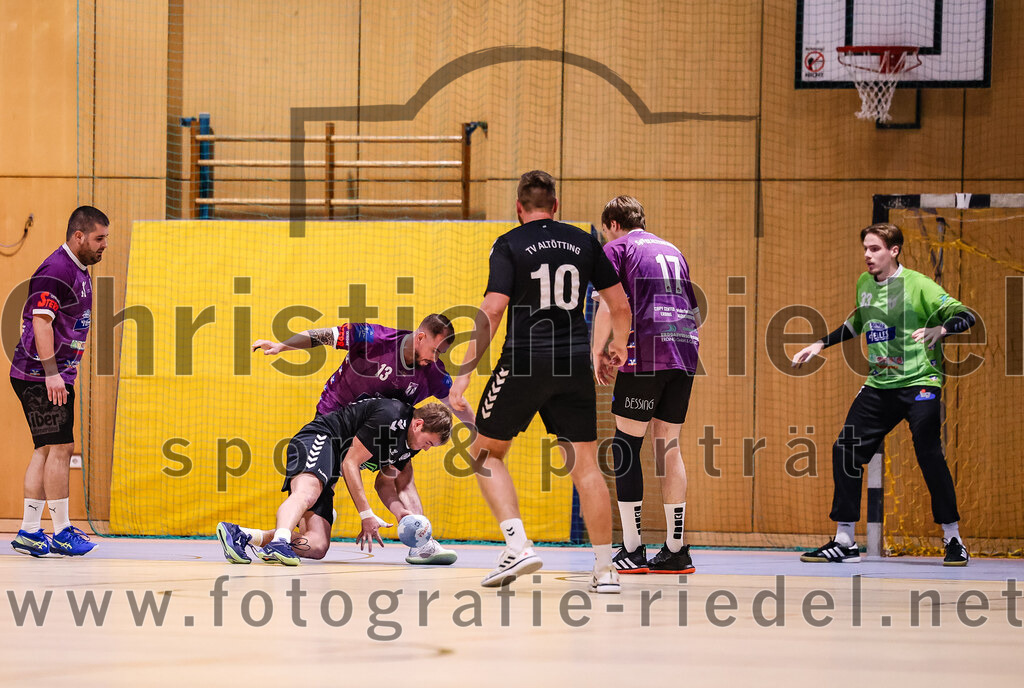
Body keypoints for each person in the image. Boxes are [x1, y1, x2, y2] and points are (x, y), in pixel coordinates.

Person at [449, 170, 633, 593]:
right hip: (573, 364)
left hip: (524, 361)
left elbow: (493, 310)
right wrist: (618, 347)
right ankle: (606, 570)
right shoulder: (585, 241)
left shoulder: (509, 243)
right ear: (556, 206)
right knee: (585, 467)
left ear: (519, 208)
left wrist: (463, 374)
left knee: (485, 453)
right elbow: (620, 305)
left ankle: (518, 546)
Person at [792, 222, 975, 566]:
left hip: (920, 382)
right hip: (880, 384)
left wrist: (942, 328)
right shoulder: (864, 283)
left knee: (928, 451)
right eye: (865, 248)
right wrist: (820, 343)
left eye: (874, 248)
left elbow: (966, 315)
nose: (867, 255)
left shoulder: (918, 284)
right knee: (845, 448)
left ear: (894, 251)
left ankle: (953, 538)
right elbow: (858, 322)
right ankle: (845, 541)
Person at [251, 313, 472, 564]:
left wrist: (478, 432)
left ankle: (421, 543)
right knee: (313, 502)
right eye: (435, 350)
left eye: (441, 353)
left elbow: (457, 403)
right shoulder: (374, 338)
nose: (435, 358)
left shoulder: (432, 372)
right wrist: (282, 346)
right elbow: (324, 336)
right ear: (421, 337)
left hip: (378, 432)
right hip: (335, 426)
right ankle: (270, 536)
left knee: (403, 469)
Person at [591, 196, 701, 575]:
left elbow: (610, 305)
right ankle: (675, 550)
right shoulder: (673, 250)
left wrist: (599, 351)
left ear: (612, 224)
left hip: (647, 352)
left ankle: (632, 548)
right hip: (685, 351)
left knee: (626, 445)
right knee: (668, 446)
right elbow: (693, 311)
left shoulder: (616, 248)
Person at [217, 399, 452, 565]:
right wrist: (366, 515)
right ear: (418, 424)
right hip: (320, 438)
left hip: (331, 465)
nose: (426, 449)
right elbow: (350, 464)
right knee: (307, 492)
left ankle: (242, 535)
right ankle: (280, 542)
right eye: (428, 443)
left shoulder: (409, 446)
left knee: (317, 546)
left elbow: (384, 483)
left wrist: (400, 512)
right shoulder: (391, 415)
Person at [9, 206, 109, 557]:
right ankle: (63, 531)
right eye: (99, 238)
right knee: (62, 448)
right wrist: (52, 373)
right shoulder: (56, 270)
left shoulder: (78, 269)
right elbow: (41, 322)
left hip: (50, 374)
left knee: (46, 448)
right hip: (40, 374)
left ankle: (29, 531)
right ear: (78, 236)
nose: (104, 245)